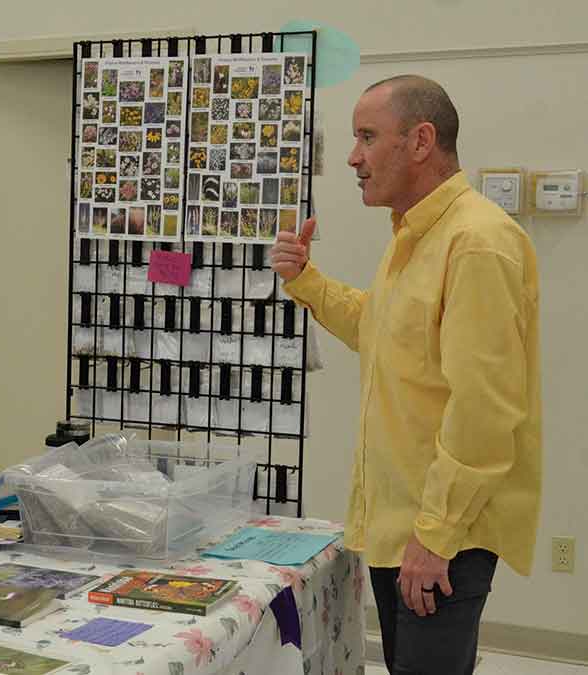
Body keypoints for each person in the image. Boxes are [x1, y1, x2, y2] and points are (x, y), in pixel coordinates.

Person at [272, 75, 541, 675]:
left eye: (367, 136)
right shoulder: (413, 238)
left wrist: (436, 536)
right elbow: (380, 326)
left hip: (440, 537)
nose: (352, 157)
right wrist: (307, 282)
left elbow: (485, 410)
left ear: (421, 141)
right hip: (408, 528)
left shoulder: (476, 243)